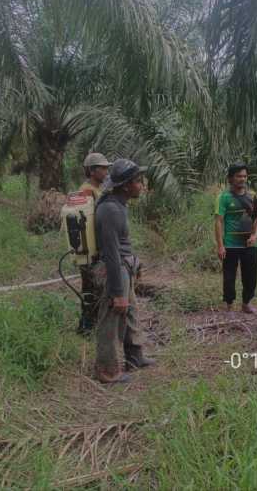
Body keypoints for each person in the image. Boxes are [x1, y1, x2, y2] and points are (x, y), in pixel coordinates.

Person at [94, 158, 155, 383]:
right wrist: (117, 292)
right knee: (112, 318)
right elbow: (110, 253)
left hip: (123, 266)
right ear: (126, 185)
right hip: (115, 269)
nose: (142, 185)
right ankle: (107, 370)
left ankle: (135, 356)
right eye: (138, 181)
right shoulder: (111, 209)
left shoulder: (118, 204)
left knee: (130, 313)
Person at [215, 162, 257, 314]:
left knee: (250, 277)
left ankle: (246, 304)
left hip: (249, 245)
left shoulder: (253, 196)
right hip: (230, 244)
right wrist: (220, 245)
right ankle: (229, 306)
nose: (242, 179)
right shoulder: (224, 197)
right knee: (229, 277)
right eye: (238, 176)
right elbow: (219, 221)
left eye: (244, 176)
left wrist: (254, 235)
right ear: (230, 179)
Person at [76, 152, 111, 335]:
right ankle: (86, 327)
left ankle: (92, 324)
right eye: (102, 168)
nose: (106, 171)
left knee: (97, 288)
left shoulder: (98, 189)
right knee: (90, 288)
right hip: (90, 249)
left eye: (107, 168)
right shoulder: (86, 191)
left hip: (98, 247)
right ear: (91, 170)